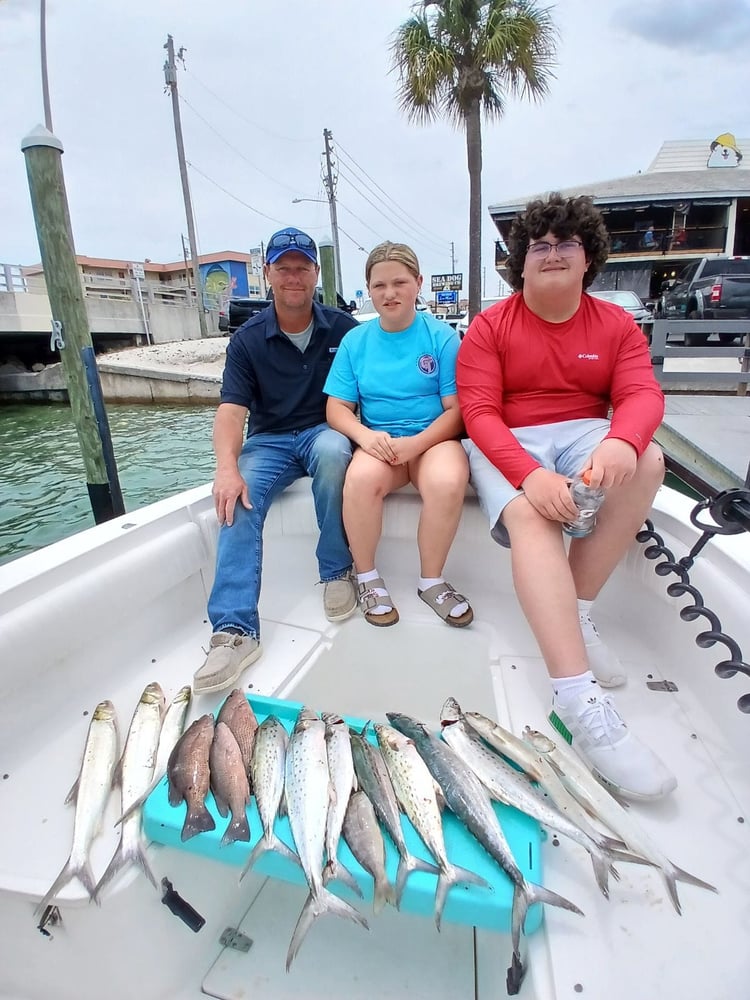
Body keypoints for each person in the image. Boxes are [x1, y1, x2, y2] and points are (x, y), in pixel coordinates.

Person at [456, 193, 676, 801]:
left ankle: (577, 612)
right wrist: (529, 475)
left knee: (649, 459)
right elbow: (478, 412)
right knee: (532, 516)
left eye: (566, 244)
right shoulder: (489, 328)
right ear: (521, 264)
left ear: (589, 260)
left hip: (583, 426)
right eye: (539, 246)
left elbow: (641, 396)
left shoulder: (616, 326)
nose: (551, 253)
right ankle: (578, 700)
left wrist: (622, 443)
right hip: (508, 436)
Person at [194, 227, 359, 694]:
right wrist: (226, 468)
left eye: (301, 267)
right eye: (282, 267)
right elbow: (231, 410)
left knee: (333, 452)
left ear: (315, 273)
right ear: (267, 274)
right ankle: (235, 631)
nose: (292, 276)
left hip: (324, 430)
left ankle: (336, 571)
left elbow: (370, 391)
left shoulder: (344, 329)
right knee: (237, 494)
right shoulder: (247, 340)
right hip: (268, 440)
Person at [325, 241, 472, 628]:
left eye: (399, 282)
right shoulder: (355, 342)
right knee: (358, 479)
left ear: (418, 283)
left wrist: (416, 444)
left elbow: (456, 411)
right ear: (369, 289)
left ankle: (431, 580)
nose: (389, 293)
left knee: (448, 480)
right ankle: (368, 578)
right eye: (379, 286)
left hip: (432, 441)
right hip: (380, 442)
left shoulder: (442, 338)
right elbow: (337, 408)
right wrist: (366, 437)